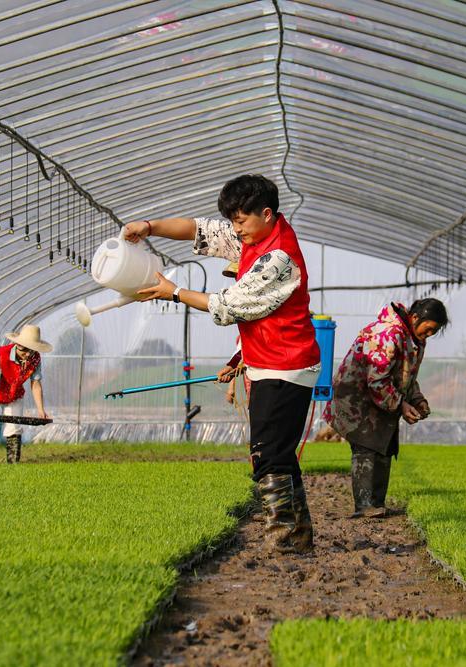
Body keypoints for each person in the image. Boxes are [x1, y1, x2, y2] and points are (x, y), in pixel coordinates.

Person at [124, 174, 320, 554]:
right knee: (279, 453)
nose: (234, 229)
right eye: (232, 221)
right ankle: (297, 535)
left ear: (266, 214)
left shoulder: (277, 257)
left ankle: (283, 538)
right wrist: (148, 227)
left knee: (267, 456)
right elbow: (199, 230)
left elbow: (229, 306)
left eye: (241, 221)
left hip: (285, 366)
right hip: (271, 362)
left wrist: (174, 292)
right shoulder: (255, 235)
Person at [326, 299, 449, 518]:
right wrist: (401, 405)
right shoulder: (388, 334)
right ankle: (364, 506)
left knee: (385, 444)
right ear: (415, 318)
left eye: (434, 331)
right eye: (428, 328)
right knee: (365, 445)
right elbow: (378, 380)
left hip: (379, 396)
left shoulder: (414, 338)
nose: (429, 334)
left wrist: (417, 399)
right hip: (357, 397)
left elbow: (406, 375)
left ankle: (377, 503)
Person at [0, 324, 52, 464]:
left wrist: (41, 410)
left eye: (32, 351)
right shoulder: (0, 355)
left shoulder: (35, 359)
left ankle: (13, 463)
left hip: (14, 394)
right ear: (17, 344)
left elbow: (36, 384)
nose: (28, 355)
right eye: (25, 350)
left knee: (14, 427)